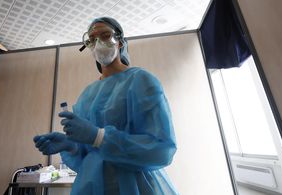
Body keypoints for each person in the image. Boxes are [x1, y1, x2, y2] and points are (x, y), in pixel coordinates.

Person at [33, 17, 178, 195]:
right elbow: (88, 156)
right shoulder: (87, 95)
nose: (98, 43)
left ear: (120, 42)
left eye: (105, 36)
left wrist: (99, 136)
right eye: (92, 39)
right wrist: (71, 146)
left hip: (135, 187)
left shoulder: (141, 80)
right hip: (91, 186)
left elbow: (161, 150)